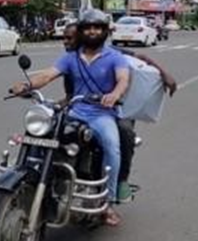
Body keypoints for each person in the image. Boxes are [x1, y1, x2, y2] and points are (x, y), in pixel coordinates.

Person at [11, 10, 130, 227]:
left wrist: (114, 95)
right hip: (74, 111)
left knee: (112, 146)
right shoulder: (71, 57)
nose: (92, 31)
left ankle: (108, 201)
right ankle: (34, 182)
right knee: (42, 136)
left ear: (104, 31)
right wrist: (26, 85)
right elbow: (48, 74)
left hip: (101, 114)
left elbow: (123, 79)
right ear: (82, 31)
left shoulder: (114, 57)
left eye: (97, 27)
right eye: (88, 27)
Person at [61, 23, 177, 202]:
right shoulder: (70, 59)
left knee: (125, 132)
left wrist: (164, 73)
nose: (65, 42)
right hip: (81, 108)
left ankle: (121, 181)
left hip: (113, 108)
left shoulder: (109, 53)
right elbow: (69, 94)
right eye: (64, 38)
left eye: (70, 38)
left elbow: (142, 57)